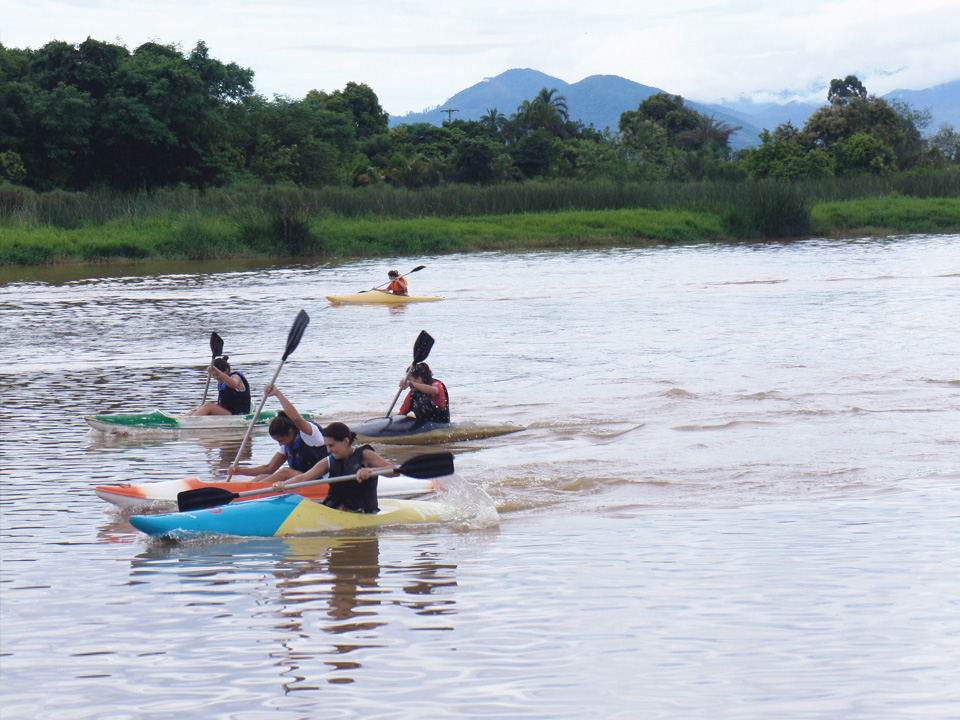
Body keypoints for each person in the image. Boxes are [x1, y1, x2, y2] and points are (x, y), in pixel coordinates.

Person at [273, 422, 396, 514]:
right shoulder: (329, 460)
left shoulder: (365, 455)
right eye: (326, 446)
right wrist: (284, 485)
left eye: (331, 445)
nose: (328, 450)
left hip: (363, 512)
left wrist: (371, 471)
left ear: (346, 442)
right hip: (336, 511)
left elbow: (394, 471)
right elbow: (304, 478)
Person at [230, 385, 326, 484]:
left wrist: (277, 393)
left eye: (281, 441)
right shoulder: (287, 444)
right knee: (262, 476)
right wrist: (239, 471)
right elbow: (269, 468)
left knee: (285, 472)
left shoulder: (310, 434)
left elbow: (296, 419)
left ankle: (252, 491)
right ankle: (245, 490)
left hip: (321, 481)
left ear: (290, 431)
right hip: (302, 481)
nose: (280, 444)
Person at [183, 356, 251, 416]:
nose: (215, 377)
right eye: (213, 375)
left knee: (208, 405)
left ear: (226, 371)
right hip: (228, 412)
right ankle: (182, 419)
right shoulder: (222, 383)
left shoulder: (235, 377)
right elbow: (224, 404)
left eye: (217, 375)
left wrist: (218, 372)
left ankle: (190, 422)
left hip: (238, 413)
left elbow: (233, 384)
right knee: (197, 410)